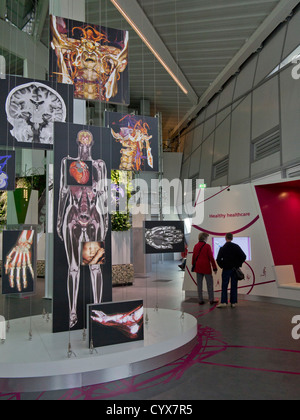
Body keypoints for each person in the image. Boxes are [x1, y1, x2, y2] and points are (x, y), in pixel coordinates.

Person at [216, 233, 246, 308]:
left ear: (225, 238)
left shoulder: (223, 248)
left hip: (226, 269)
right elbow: (243, 256)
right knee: (234, 285)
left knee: (224, 286)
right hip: (234, 269)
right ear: (232, 238)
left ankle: (224, 302)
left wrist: (222, 266)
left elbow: (218, 259)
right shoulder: (236, 247)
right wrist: (238, 264)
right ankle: (233, 302)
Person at [192, 232, 218, 305]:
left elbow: (194, 257)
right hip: (206, 267)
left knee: (199, 285)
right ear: (204, 238)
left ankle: (200, 300)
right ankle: (211, 300)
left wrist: (194, 265)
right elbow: (211, 258)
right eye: (207, 237)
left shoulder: (196, 246)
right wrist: (214, 267)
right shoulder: (207, 246)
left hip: (198, 267)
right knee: (209, 284)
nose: (207, 239)